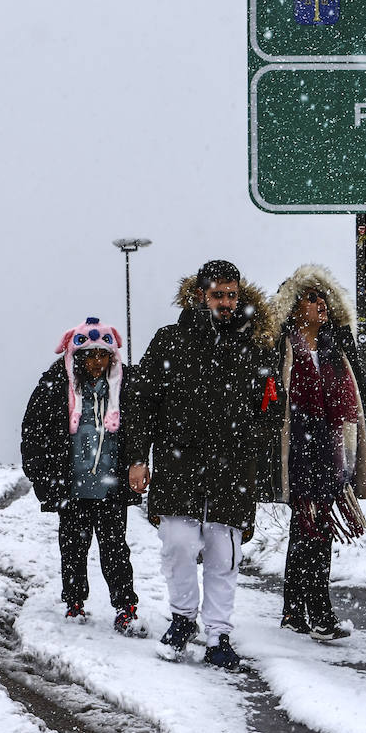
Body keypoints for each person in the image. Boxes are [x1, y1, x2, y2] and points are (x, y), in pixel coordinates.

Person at [261, 264, 366, 640]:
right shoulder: (278, 348)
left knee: (308, 527)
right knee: (315, 527)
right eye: (310, 297)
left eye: (323, 297)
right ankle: (319, 614)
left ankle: (294, 611)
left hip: (333, 450)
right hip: (295, 451)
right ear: (292, 306)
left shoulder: (337, 347)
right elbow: (261, 399)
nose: (320, 303)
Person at [126, 260, 281, 670]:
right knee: (177, 546)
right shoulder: (168, 341)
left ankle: (218, 635)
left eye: (232, 295)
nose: (226, 303)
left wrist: (256, 455)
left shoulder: (254, 345)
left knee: (223, 556)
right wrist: (138, 458)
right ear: (199, 295)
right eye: (218, 295)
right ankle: (182, 618)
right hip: (179, 466)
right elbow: (141, 402)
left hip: (234, 472)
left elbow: (269, 407)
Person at [20, 317, 146, 637]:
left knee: (115, 549)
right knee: (73, 548)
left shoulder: (125, 387)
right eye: (90, 355)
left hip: (111, 487)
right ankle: (75, 603)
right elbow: (33, 433)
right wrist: (43, 480)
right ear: (77, 356)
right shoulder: (55, 387)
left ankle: (125, 607)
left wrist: (137, 461)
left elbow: (141, 429)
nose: (97, 362)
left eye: (103, 355)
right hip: (71, 488)